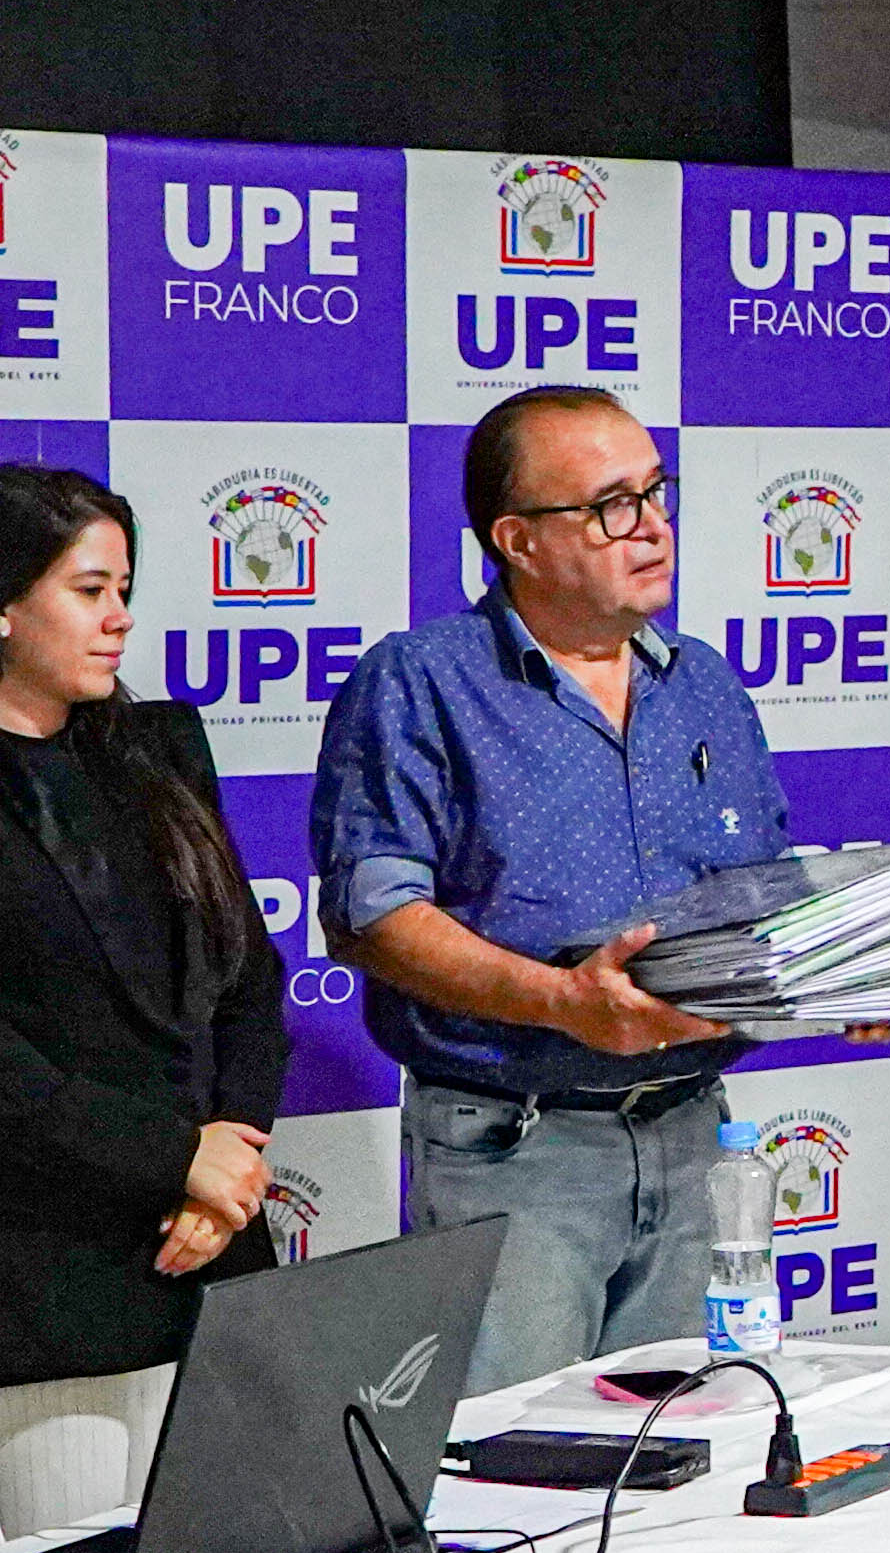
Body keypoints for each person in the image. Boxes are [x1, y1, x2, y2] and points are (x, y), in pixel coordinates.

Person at [0, 463, 294, 1536]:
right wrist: (179, 1156)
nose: (121, 616)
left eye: (125, 586)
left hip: (211, 1257)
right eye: (90, 589)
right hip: (29, 1281)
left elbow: (247, 976)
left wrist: (229, 1151)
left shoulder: (164, 746)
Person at [314, 383, 788, 1401]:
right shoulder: (421, 681)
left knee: (689, 1472)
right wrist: (564, 1002)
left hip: (698, 1141)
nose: (652, 526)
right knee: (512, 1476)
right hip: (516, 1149)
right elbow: (374, 919)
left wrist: (843, 974)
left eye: (657, 492)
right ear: (518, 540)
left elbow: (764, 890)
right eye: (613, 504)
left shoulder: (703, 683)